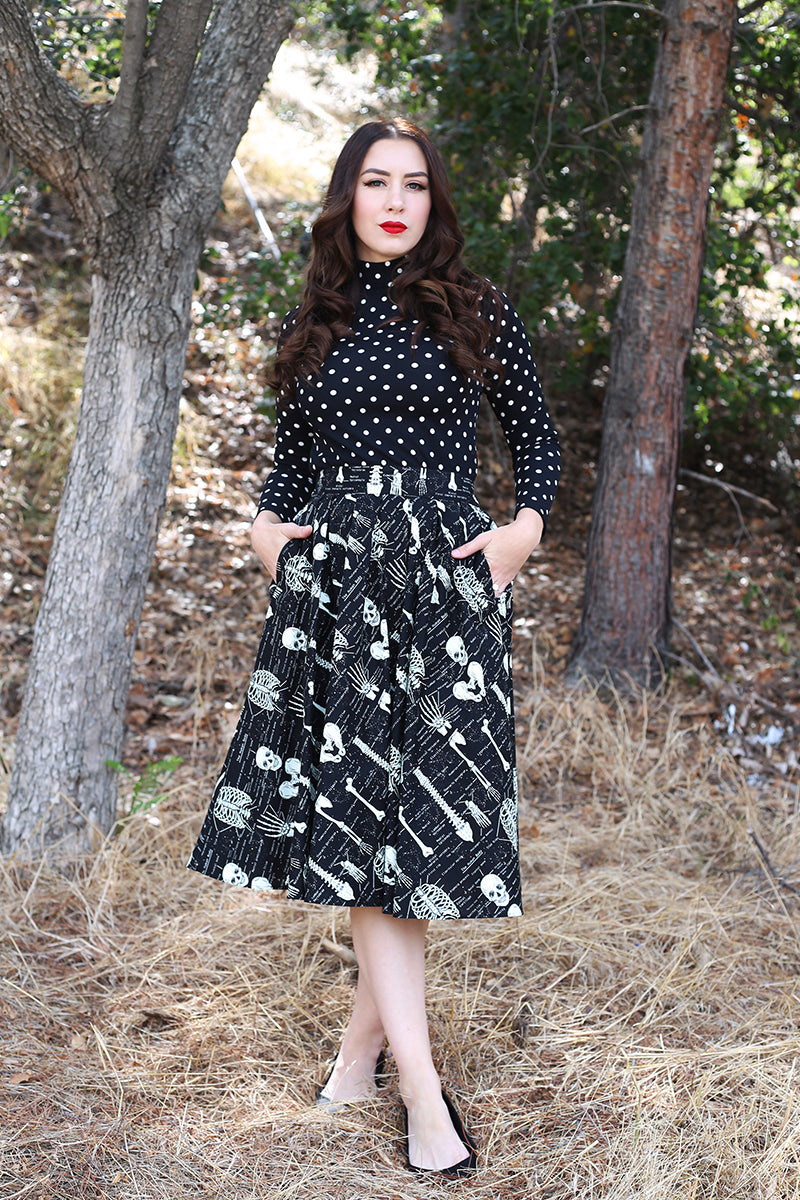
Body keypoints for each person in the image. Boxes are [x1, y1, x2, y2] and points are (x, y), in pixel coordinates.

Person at [188, 118, 560, 1178]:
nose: (394, 201)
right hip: (339, 596)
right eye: (373, 183)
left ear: (433, 203)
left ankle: (361, 1062)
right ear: (346, 197)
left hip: (440, 590)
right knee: (365, 827)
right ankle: (418, 1089)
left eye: (413, 185)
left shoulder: (477, 309)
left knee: (412, 820)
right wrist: (267, 537)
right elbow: (281, 473)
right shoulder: (319, 313)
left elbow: (536, 448)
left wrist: (517, 540)